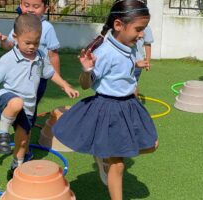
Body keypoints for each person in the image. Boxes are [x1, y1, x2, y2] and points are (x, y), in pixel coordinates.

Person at [53, 1, 159, 199]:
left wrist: (135, 66)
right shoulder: (105, 52)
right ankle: (109, 161)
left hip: (129, 105)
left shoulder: (125, 45)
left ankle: (105, 155)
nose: (142, 34)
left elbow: (120, 68)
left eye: (143, 29)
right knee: (118, 164)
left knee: (152, 144)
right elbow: (86, 84)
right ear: (118, 25)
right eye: (139, 29)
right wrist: (87, 70)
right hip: (110, 108)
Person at [0, 13, 79, 173]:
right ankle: (2, 134)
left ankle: (17, 165)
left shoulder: (40, 57)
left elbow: (51, 73)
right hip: (7, 100)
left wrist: (65, 85)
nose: (32, 47)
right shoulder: (9, 59)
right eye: (27, 42)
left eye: (36, 43)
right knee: (16, 102)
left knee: (22, 143)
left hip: (29, 107)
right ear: (15, 37)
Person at [0, 0, 60, 117]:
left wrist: (58, 79)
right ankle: (10, 122)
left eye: (36, 6)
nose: (31, 9)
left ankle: (26, 125)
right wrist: (3, 40)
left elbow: (53, 54)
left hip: (38, 76)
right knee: (14, 102)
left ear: (45, 9)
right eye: (26, 5)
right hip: (17, 74)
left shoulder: (47, 28)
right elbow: (10, 46)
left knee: (31, 105)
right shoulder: (20, 24)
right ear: (21, 6)